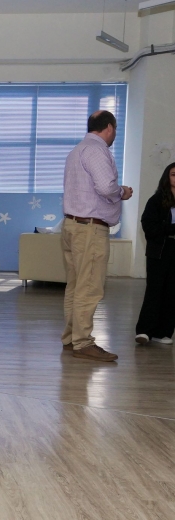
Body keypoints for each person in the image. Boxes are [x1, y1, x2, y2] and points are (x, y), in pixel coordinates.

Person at [61, 110, 133, 362]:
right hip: (90, 229)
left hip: (72, 225)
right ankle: (83, 343)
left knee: (75, 285)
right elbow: (105, 187)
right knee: (90, 286)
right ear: (110, 128)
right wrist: (122, 192)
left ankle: (71, 338)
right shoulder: (97, 150)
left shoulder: (77, 150)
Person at [135, 162, 175, 345]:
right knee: (154, 290)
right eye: (174, 174)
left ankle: (163, 332)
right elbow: (149, 226)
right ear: (167, 177)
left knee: (172, 291)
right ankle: (144, 331)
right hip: (160, 250)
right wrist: (170, 229)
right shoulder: (156, 200)